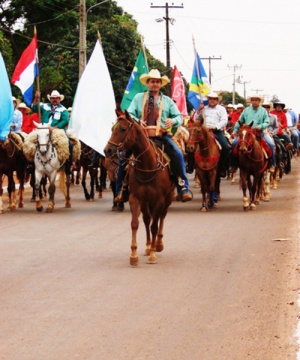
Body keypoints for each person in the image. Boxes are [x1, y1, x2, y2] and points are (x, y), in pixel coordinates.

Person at [117, 69, 192, 202]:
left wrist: (172, 121)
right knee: (123, 156)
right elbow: (129, 114)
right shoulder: (138, 98)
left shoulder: (167, 100)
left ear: (160, 84)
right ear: (147, 83)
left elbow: (179, 117)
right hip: (141, 137)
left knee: (177, 154)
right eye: (152, 81)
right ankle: (121, 190)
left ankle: (183, 186)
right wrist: (136, 120)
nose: (155, 84)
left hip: (161, 136)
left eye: (157, 82)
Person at [230, 94, 275, 171]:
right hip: (246, 133)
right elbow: (239, 121)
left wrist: (260, 126)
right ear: (251, 101)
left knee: (270, 144)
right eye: (253, 100)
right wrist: (235, 131)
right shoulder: (246, 110)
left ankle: (271, 164)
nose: (254, 102)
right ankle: (234, 164)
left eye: (256, 100)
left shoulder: (263, 111)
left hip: (259, 132)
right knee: (234, 144)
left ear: (259, 101)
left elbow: (267, 122)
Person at [32, 90, 72, 173]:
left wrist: (55, 128)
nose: (54, 99)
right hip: (43, 130)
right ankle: (30, 163)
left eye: (56, 98)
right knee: (30, 142)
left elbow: (65, 120)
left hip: (58, 131)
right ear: (50, 99)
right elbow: (34, 108)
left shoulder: (63, 110)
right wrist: (36, 98)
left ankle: (68, 164)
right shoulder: (44, 106)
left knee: (69, 144)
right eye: (52, 98)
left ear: (59, 99)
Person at [195, 92, 229, 177]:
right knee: (191, 146)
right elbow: (196, 120)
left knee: (225, 147)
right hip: (203, 132)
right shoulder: (204, 108)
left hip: (216, 131)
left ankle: (222, 168)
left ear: (217, 100)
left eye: (214, 99)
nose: (212, 100)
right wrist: (198, 110)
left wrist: (215, 127)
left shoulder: (221, 109)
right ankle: (191, 166)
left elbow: (224, 120)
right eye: (210, 99)